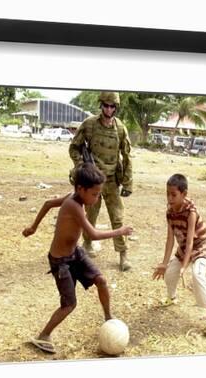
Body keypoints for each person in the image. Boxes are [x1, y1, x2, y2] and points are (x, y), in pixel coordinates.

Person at [22, 163, 133, 353]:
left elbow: (48, 204)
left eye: (99, 193)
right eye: (94, 194)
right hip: (61, 262)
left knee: (101, 281)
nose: (97, 198)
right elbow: (93, 234)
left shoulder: (75, 198)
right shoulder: (73, 205)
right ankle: (44, 335)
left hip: (75, 253)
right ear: (80, 188)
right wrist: (120, 231)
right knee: (69, 305)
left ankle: (108, 317)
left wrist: (33, 227)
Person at [69, 91, 134, 271]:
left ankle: (123, 254)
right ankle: (87, 245)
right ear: (101, 105)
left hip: (112, 180)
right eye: (105, 105)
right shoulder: (89, 124)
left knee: (117, 217)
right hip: (93, 181)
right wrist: (82, 166)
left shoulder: (120, 128)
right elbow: (74, 148)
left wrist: (128, 182)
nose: (108, 109)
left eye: (112, 106)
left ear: (116, 108)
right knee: (90, 216)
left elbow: (127, 156)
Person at [152, 174, 206, 334]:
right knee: (169, 272)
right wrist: (164, 263)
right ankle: (172, 298)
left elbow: (190, 241)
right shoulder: (169, 212)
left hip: (201, 244)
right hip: (185, 247)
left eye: (173, 194)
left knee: (197, 274)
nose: (169, 198)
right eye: (167, 193)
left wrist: (184, 266)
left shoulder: (191, 211)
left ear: (184, 194)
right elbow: (170, 240)